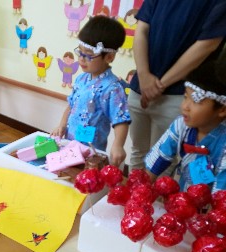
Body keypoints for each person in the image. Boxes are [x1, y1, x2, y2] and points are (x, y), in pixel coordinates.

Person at [128, 0, 226, 171]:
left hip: (180, 95)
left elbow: (207, 44)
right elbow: (142, 29)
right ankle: (131, 197)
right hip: (140, 89)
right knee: (138, 153)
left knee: (164, 163)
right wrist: (143, 76)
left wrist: (159, 85)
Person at [51, 15, 131, 167]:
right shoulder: (81, 79)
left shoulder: (112, 88)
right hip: (69, 143)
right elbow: (71, 104)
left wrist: (118, 145)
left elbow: (121, 119)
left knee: (84, 183)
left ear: (109, 57)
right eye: (79, 52)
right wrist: (62, 125)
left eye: (88, 55)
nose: (81, 59)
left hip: (91, 153)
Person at [145, 52, 226, 193]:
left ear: (222, 109)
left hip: (211, 209)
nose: (185, 106)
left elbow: (221, 198)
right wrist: (141, 192)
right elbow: (157, 160)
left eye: (195, 101)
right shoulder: (181, 125)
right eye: (185, 97)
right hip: (182, 199)